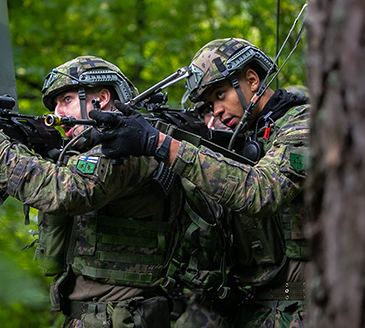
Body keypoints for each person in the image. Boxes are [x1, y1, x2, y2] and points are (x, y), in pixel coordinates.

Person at [0, 55, 184, 327]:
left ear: (102, 98)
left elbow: (66, 191)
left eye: (67, 100)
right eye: (55, 105)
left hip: (119, 317)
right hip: (95, 316)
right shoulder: (92, 151)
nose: (57, 113)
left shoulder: (123, 149)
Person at [90, 38, 310, 327]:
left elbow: (262, 191)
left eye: (220, 94)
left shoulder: (304, 125)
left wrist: (161, 144)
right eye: (209, 103)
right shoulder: (252, 136)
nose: (216, 110)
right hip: (262, 305)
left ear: (252, 80)